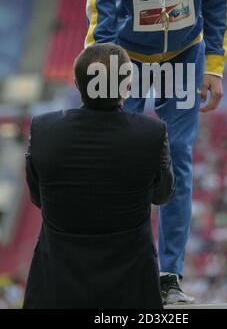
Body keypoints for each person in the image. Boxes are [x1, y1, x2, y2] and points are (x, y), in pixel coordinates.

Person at [85, 0, 227, 305]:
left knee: (178, 162)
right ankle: (124, 271)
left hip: (185, 58)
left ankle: (169, 276)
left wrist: (215, 64)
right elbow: (101, 30)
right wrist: (101, 89)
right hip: (128, 64)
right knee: (121, 163)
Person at [23, 43, 175, 309]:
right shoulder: (151, 133)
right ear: (127, 86)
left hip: (56, 287)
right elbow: (163, 194)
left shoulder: (43, 128)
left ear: (78, 85)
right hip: (130, 287)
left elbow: (38, 198)